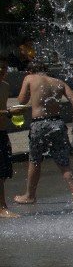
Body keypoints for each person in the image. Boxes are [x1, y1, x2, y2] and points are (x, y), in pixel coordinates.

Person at [12, 60, 73, 206]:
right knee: (64, 162)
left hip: (39, 124)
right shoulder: (58, 82)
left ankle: (29, 195)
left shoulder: (30, 79)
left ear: (30, 71)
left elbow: (21, 100)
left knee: (35, 161)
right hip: (57, 123)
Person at [1, 60, 22, 218]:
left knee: (4, 172)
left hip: (2, 132)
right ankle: (2, 207)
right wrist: (8, 113)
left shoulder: (5, 86)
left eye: (5, 68)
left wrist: (13, 116)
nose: (3, 70)